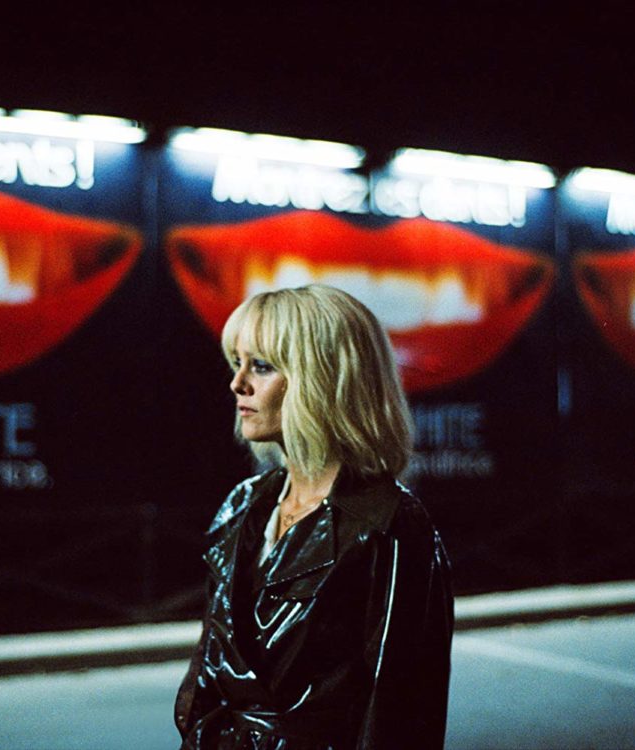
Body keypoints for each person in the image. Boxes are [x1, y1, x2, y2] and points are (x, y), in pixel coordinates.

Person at [175, 284, 454, 749]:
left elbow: (402, 713)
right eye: (236, 362)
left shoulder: (389, 524)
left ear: (322, 379)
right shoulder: (242, 506)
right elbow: (207, 674)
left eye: (261, 366)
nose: (237, 383)